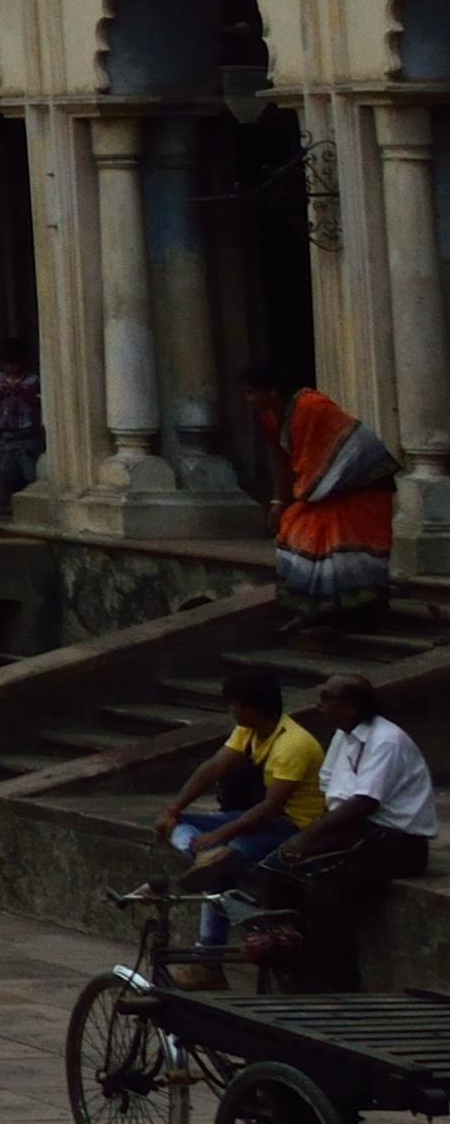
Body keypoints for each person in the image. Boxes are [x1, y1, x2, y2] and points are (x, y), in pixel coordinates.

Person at [268, 674, 439, 991]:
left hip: (397, 841)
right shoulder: (343, 736)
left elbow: (364, 803)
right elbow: (332, 792)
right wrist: (310, 839)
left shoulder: (386, 740)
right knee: (278, 869)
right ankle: (291, 962)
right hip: (358, 830)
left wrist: (308, 837)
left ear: (351, 706)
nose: (319, 706)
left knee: (324, 883)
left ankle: (335, 980)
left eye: (327, 699)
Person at [156, 660, 323, 950]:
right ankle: (207, 858)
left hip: (292, 825)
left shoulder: (293, 744)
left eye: (233, 704)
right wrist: (174, 808)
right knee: (177, 826)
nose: (230, 710)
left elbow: (272, 808)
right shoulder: (249, 730)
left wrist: (220, 834)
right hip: (256, 816)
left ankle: (209, 954)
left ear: (251, 708)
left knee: (225, 865)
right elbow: (214, 767)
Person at [272, 385, 397, 623]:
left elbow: (332, 447)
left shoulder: (310, 406)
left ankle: (359, 611)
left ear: (271, 392)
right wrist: (280, 500)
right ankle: (323, 611)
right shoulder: (280, 415)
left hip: (362, 486)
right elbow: (287, 457)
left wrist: (312, 485)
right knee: (297, 526)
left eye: (252, 392)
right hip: (333, 490)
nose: (249, 399)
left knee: (348, 548)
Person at [0, 352, 44, 522]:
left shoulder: (32, 380)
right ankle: (8, 504)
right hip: (7, 431)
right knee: (7, 472)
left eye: (13, 364)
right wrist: (0, 393)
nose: (10, 368)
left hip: (27, 431)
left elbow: (39, 402)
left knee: (30, 471)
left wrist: (22, 391)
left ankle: (33, 507)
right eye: (7, 364)